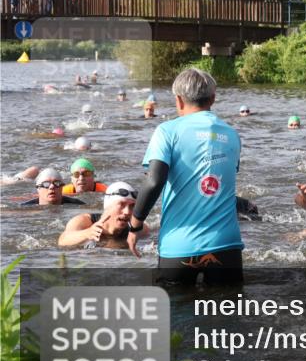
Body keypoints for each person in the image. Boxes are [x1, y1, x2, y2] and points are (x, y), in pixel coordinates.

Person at [128, 68, 244, 284]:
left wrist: (135, 225)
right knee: (228, 315)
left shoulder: (167, 131)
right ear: (213, 98)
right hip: (226, 245)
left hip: (179, 246)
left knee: (175, 314)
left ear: (179, 100)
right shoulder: (232, 134)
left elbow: (154, 181)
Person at [59, 182, 149, 249]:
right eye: (121, 204)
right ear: (108, 206)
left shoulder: (138, 228)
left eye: (132, 206)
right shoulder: (84, 221)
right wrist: (88, 233)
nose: (127, 212)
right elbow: (63, 241)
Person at [20, 168, 86, 207]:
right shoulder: (26, 208)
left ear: (62, 187)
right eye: (46, 184)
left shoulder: (78, 205)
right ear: (38, 188)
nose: (52, 187)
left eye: (57, 183)